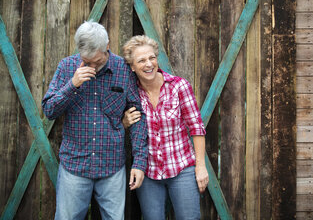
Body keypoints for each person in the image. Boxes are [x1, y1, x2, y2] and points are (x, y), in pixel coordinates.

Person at [42, 21, 148, 220]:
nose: (92, 67)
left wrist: (139, 162)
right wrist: (72, 85)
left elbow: (138, 117)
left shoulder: (123, 70)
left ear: (107, 46)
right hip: (74, 166)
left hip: (112, 166)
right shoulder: (66, 67)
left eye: (97, 62)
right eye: (86, 61)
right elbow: (49, 110)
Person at [122, 35, 209, 220]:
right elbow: (117, 127)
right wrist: (124, 123)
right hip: (149, 173)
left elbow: (197, 128)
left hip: (182, 169)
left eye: (152, 57)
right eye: (142, 60)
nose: (149, 64)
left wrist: (200, 166)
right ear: (132, 66)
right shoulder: (131, 94)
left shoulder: (179, 87)